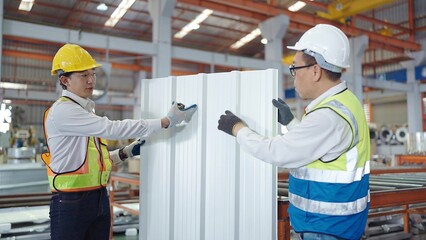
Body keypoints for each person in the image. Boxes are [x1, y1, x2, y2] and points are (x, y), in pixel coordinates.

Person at [217, 24, 370, 240]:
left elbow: (277, 152)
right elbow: (320, 149)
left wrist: (237, 128)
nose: (293, 77)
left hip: (326, 228)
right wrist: (290, 122)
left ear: (315, 71)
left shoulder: (327, 116)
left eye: (295, 69)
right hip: (338, 224)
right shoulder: (345, 102)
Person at [41, 43, 197, 240]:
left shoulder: (85, 110)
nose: (91, 80)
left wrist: (125, 153)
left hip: (98, 197)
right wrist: (165, 122)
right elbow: (111, 128)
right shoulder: (63, 111)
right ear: (65, 80)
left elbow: (90, 159)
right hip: (71, 201)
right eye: (83, 75)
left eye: (93, 74)